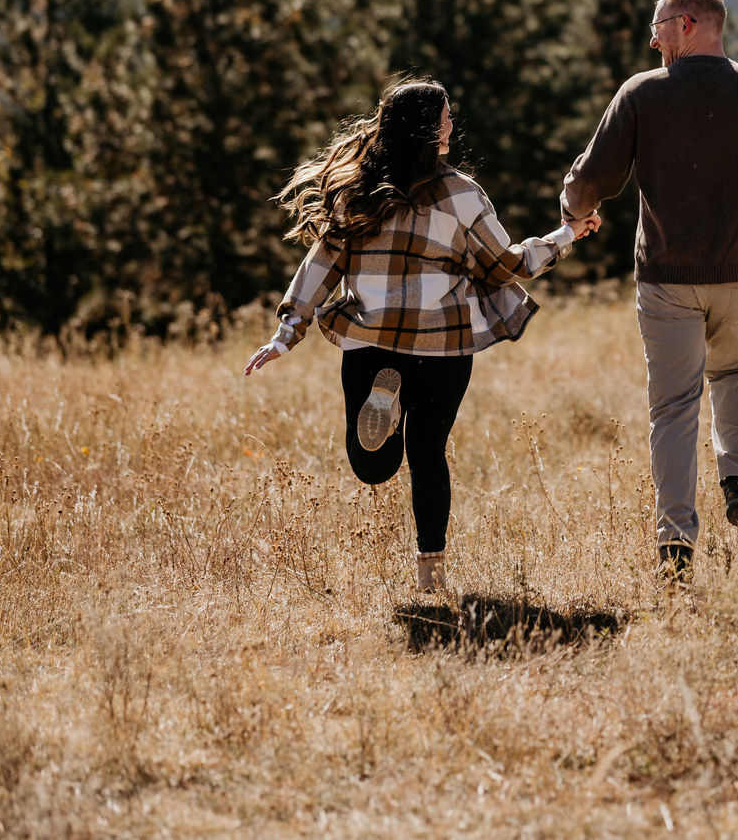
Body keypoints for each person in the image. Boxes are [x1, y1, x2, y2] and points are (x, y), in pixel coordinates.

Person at [242, 79, 594, 594]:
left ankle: (384, 402)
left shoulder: (357, 191)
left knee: (372, 467)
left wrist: (286, 332)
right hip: (442, 344)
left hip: (370, 339)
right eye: (447, 117)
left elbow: (323, 262)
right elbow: (505, 266)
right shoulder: (463, 195)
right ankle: (430, 576)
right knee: (428, 452)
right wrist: (566, 236)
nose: (452, 125)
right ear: (430, 130)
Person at [559, 0, 738, 581]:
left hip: (666, 278)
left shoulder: (642, 95)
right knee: (734, 374)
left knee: (674, 407)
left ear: (686, 25)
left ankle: (676, 544)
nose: (655, 45)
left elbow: (595, 172)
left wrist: (575, 212)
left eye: (658, 31)